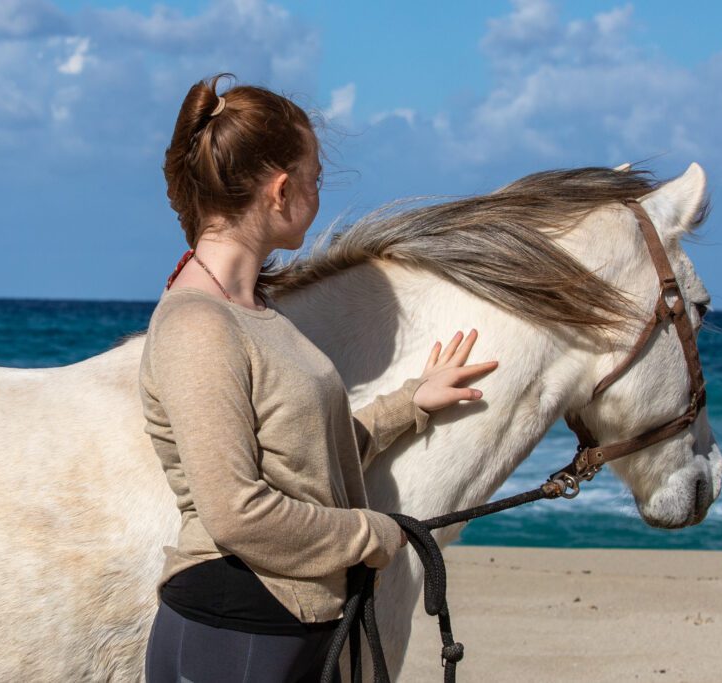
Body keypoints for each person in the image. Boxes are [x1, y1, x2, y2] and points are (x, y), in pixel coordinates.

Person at [138, 73, 498, 682]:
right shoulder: (198, 326)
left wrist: (411, 402)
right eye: (315, 178)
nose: (317, 193)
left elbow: (303, 460)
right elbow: (236, 515)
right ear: (281, 190)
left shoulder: (251, 314)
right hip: (241, 628)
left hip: (278, 625)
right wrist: (372, 534)